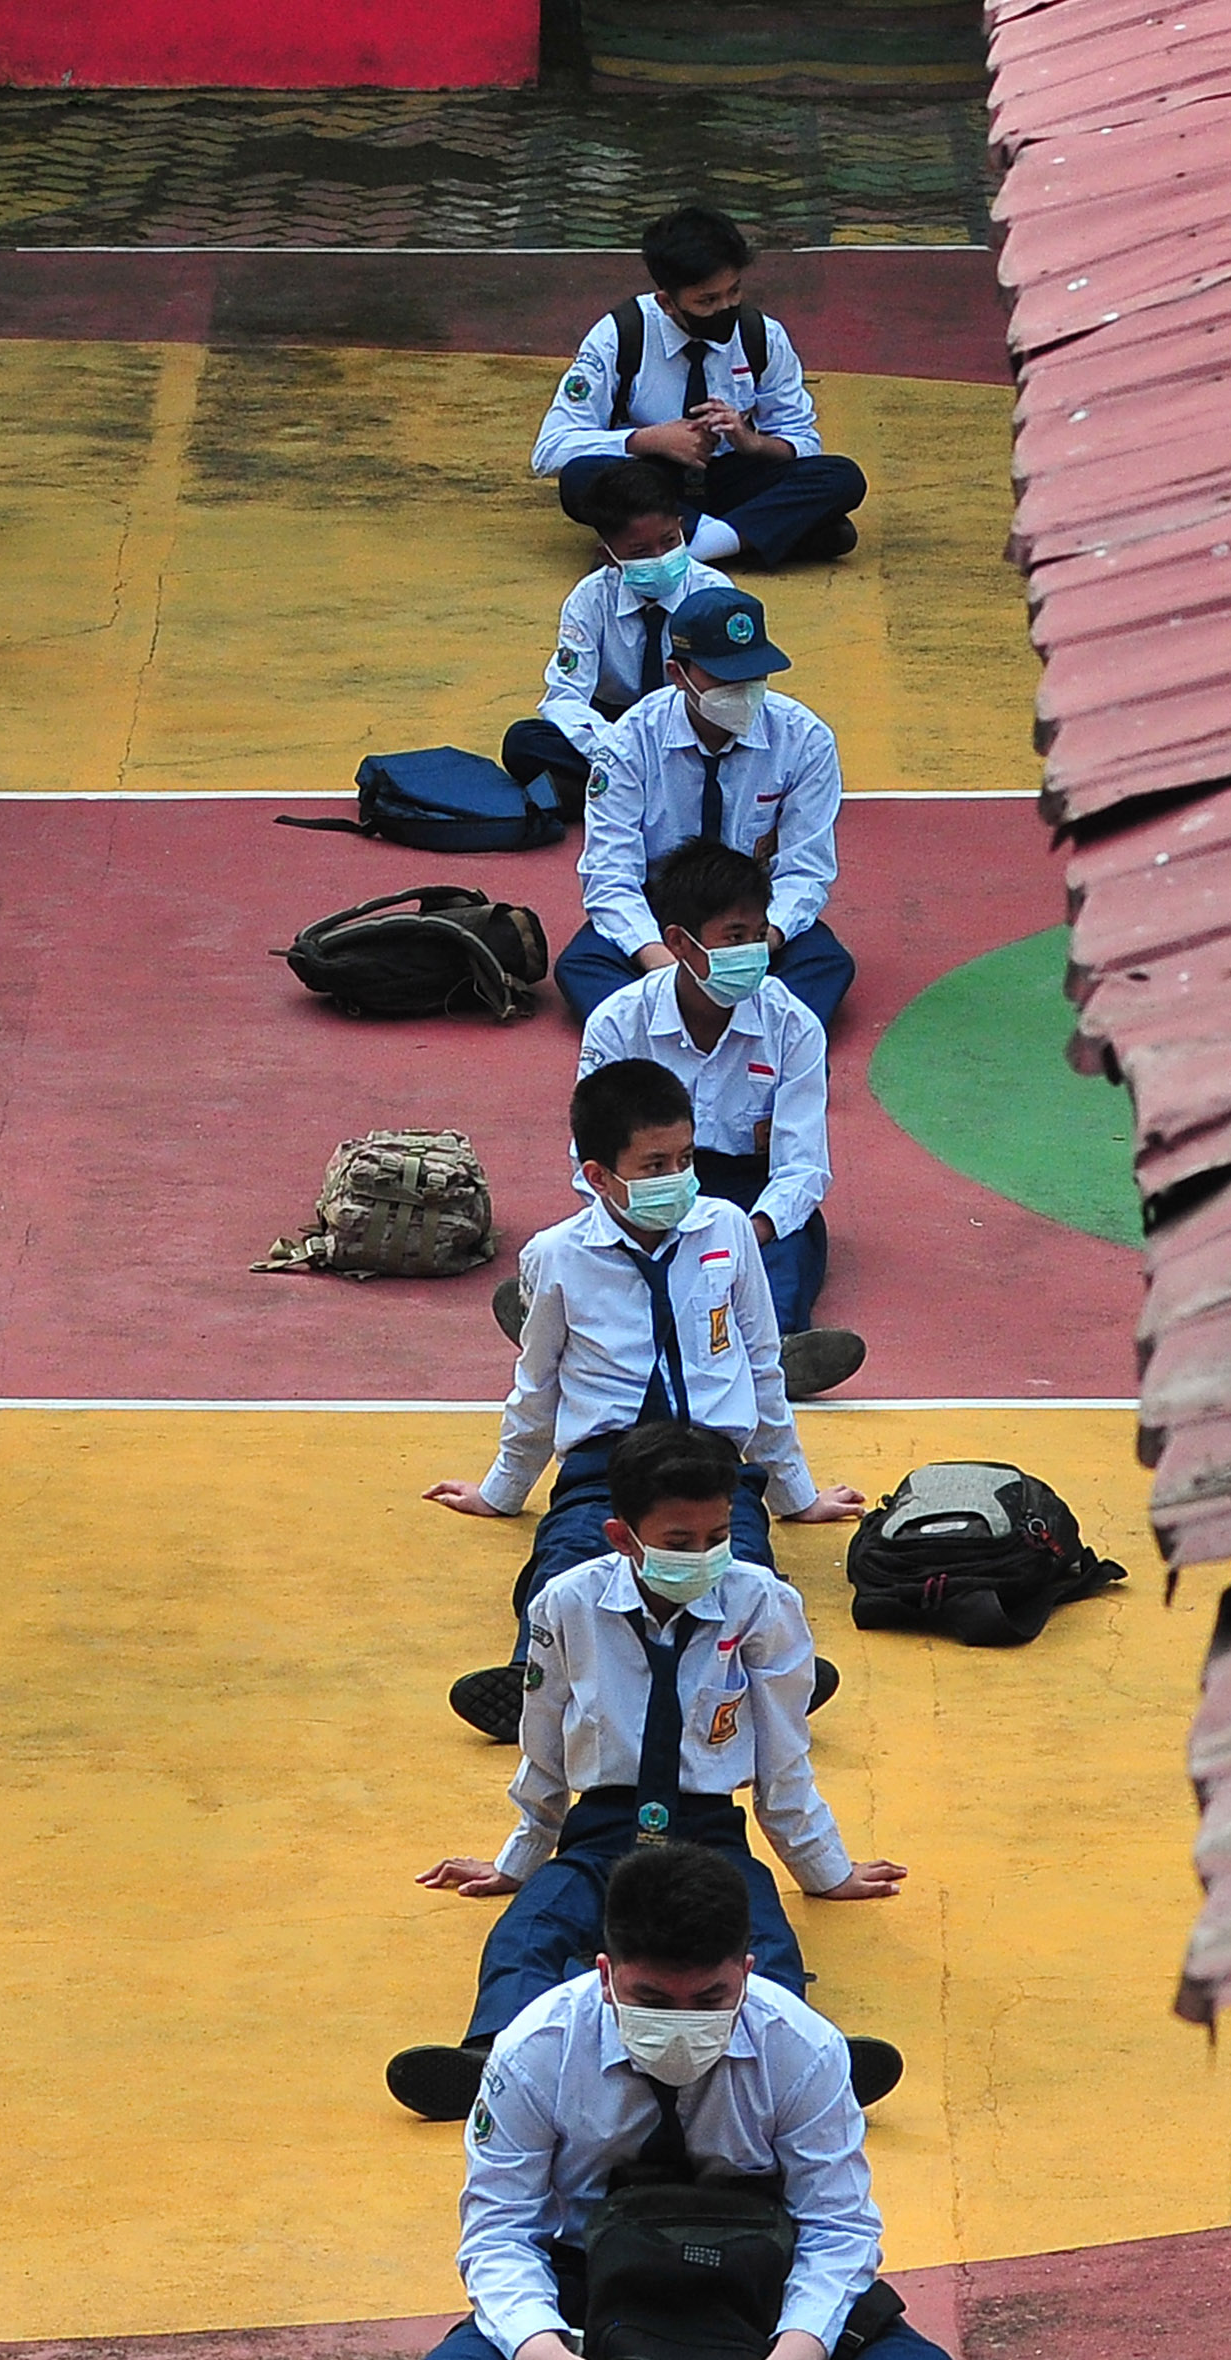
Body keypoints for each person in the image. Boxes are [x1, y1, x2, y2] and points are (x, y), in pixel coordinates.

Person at [355, 1845, 1062, 2360]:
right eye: (653, 1997)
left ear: (748, 1974)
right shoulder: (533, 2053)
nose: (683, 2024)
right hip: (591, 2275)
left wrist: (797, 2358)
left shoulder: (805, 2049)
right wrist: (543, 2357)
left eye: (711, 1998)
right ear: (603, 1973)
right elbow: (497, 2232)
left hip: (758, 2277)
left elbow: (838, 2227)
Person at [386, 1418, 905, 2119]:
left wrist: (826, 1870)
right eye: (678, 1543)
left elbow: (785, 1755)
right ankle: (491, 2058)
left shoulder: (764, 1604)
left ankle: (803, 2063)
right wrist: (517, 1860)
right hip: (600, 1829)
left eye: (717, 1538)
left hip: (708, 1833)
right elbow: (543, 1746)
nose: (704, 1556)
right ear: (622, 1538)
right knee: (531, 1929)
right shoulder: (566, 1604)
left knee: (759, 1932)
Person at [428, 1061, 863, 1743]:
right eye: (655, 1164)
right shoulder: (556, 1256)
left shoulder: (727, 1230)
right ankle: (534, 1680)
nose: (678, 1179)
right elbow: (537, 1380)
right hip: (606, 1460)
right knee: (568, 1561)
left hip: (710, 1456)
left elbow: (762, 1364)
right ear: (599, 1175)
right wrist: (503, 1490)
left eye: (686, 1159)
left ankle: (758, 1677)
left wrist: (795, 1493)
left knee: (740, 1564)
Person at [559, 584, 851, 1029]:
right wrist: (663, 963)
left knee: (826, 965)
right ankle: (681, 1028)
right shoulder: (628, 743)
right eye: (724, 679)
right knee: (582, 968)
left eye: (753, 677)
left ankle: (762, 1033)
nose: (743, 692)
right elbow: (611, 874)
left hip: (755, 912)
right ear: (678, 674)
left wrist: (762, 942)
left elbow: (805, 869)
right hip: (664, 908)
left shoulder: (806, 740)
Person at [576, 843, 838, 1335]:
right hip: (650, 1185)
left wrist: (746, 1232)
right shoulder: (617, 1024)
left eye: (758, 936)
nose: (751, 954)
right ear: (678, 942)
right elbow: (591, 1156)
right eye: (733, 937)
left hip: (747, 1189)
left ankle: (778, 1348)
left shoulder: (794, 1027)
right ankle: (567, 1327)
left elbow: (801, 1166)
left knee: (790, 1252)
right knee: (596, 1254)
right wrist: (647, 1224)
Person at [531, 206, 867, 574]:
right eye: (707, 301)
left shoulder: (762, 335)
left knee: (842, 477)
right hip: (653, 486)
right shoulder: (620, 336)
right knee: (580, 478)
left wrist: (750, 442)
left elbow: (802, 439)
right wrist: (647, 440)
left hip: (730, 477)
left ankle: (691, 549)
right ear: (667, 302)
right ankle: (747, 537)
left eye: (734, 291)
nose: (726, 307)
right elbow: (550, 450)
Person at [500, 456, 729, 824]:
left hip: (687, 725)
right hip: (614, 727)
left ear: (682, 529)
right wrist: (616, 750)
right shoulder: (589, 599)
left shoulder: (714, 592)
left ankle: (597, 795)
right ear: (608, 556)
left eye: (670, 541)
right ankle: (658, 793)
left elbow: (724, 691)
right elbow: (566, 696)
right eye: (640, 552)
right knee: (523, 741)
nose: (660, 557)